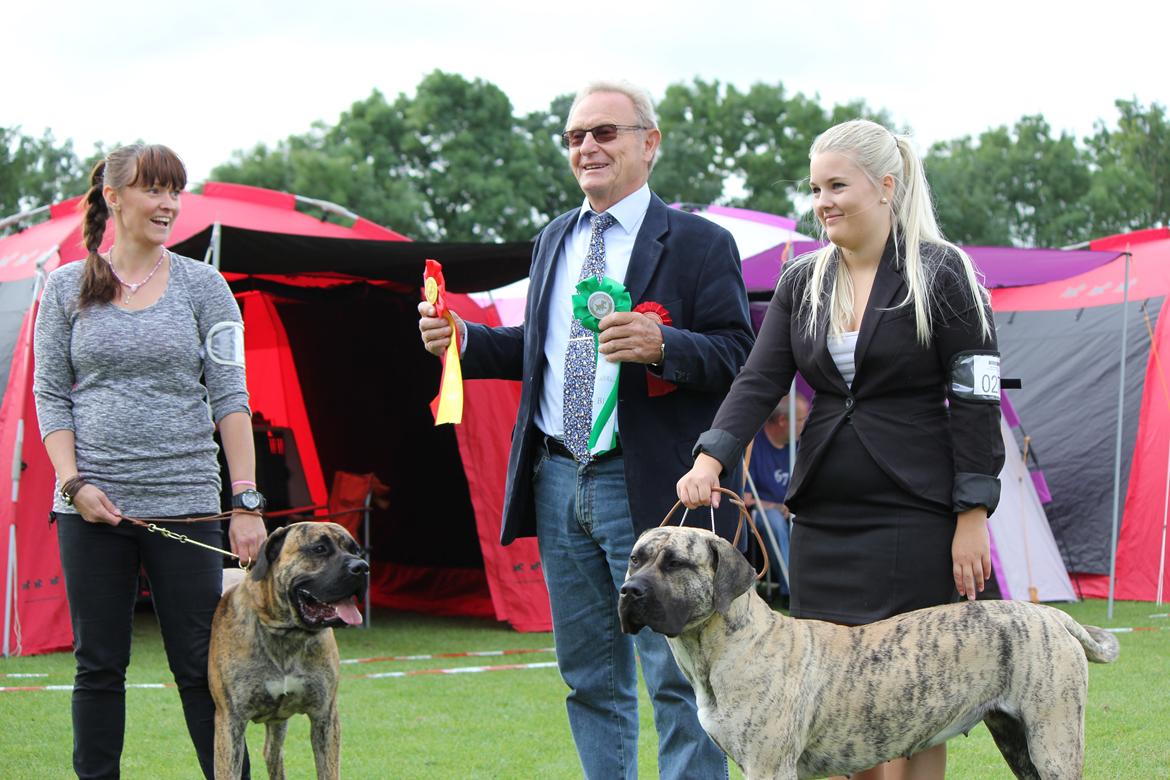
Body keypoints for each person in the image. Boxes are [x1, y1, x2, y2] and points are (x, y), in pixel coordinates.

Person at [418, 81, 753, 779]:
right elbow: (537, 348)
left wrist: (664, 345)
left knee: (676, 676)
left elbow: (741, 358)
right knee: (587, 677)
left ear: (649, 143)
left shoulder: (699, 244)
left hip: (649, 482)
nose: (587, 147)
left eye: (604, 132)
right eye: (575, 136)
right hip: (557, 476)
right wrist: (464, 341)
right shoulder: (555, 238)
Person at [677, 119, 1005, 780]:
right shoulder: (800, 282)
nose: (822, 200)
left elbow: (976, 396)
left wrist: (973, 514)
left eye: (836, 185)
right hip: (825, 520)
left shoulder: (945, 274)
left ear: (886, 186)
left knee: (915, 700)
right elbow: (758, 379)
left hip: (918, 515)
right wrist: (710, 457)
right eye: (815, 187)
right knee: (837, 703)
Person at [32, 144, 267, 779]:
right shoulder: (62, 288)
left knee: (200, 667)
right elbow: (49, 395)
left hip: (188, 503)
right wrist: (73, 483)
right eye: (153, 190)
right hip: (90, 511)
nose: (168, 204)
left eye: (175, 191)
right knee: (99, 664)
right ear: (114, 197)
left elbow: (231, 396)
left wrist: (244, 501)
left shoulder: (205, 285)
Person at [743, 394, 808, 597]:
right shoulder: (755, 446)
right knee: (775, 520)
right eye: (800, 420)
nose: (804, 425)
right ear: (782, 421)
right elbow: (744, 498)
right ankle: (794, 591)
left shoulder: (799, 446)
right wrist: (778, 507)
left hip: (794, 510)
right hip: (761, 514)